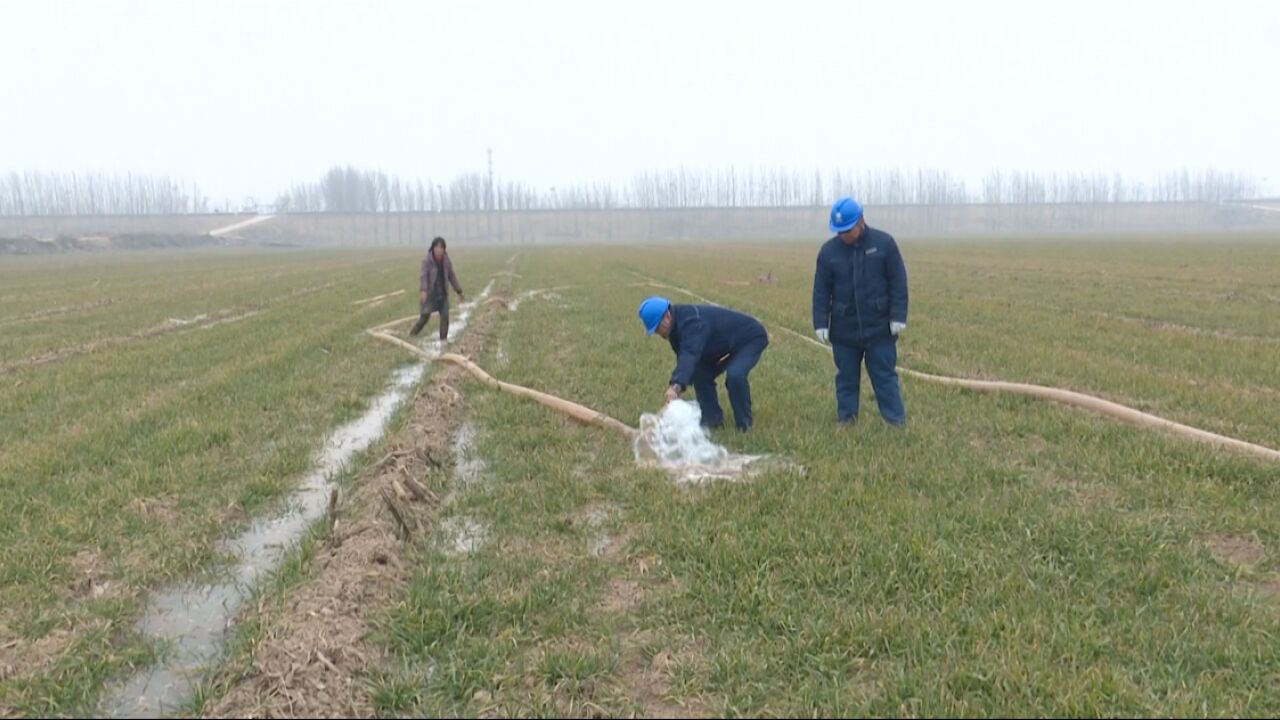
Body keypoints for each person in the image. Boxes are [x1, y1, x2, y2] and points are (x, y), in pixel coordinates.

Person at [812, 196, 909, 426]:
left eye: (847, 229)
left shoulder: (884, 244)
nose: (843, 235)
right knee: (846, 379)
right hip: (845, 331)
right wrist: (821, 322)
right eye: (839, 231)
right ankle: (847, 421)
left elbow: (898, 282)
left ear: (861, 221)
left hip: (880, 329)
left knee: (885, 377)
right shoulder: (828, 252)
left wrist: (898, 316)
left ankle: (895, 422)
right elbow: (821, 291)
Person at [638, 296, 769, 431]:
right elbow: (687, 360)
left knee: (735, 376)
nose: (658, 333)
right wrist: (681, 384)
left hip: (750, 338)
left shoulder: (693, 323)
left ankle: (744, 427)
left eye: (657, 328)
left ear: (667, 316)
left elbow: (690, 353)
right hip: (726, 344)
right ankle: (712, 420)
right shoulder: (675, 328)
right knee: (699, 372)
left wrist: (676, 385)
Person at [410, 237, 464, 341]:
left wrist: (459, 291)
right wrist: (424, 290)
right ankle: (411, 336)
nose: (439, 250)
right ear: (433, 248)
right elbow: (424, 276)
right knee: (424, 318)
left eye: (441, 247)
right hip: (430, 295)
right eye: (437, 247)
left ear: (444, 249)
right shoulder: (427, 261)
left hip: (442, 294)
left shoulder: (446, 261)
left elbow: (451, 276)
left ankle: (443, 342)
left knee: (445, 318)